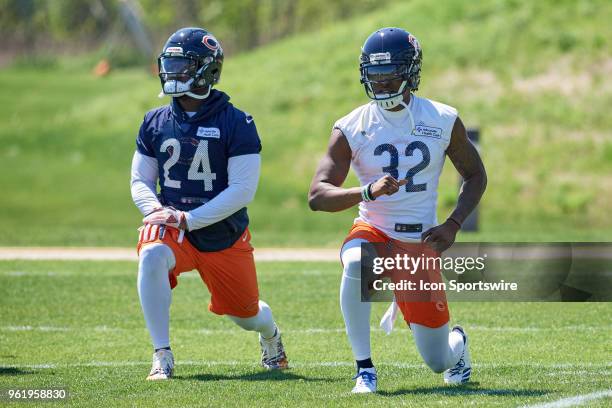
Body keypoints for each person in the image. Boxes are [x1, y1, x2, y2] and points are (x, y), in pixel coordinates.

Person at [308, 27, 487, 393]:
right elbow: (317, 195)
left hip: (420, 242)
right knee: (358, 262)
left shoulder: (441, 118)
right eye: (375, 74)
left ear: (411, 72)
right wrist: (365, 191)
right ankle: (364, 369)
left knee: (437, 360)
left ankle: (459, 344)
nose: (382, 83)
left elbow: (475, 174)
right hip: (374, 229)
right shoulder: (351, 126)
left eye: (390, 74)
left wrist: (453, 224)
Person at [131, 27, 288, 380]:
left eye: (182, 65)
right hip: (175, 228)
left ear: (206, 70)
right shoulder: (155, 121)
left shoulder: (237, 122)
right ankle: (162, 353)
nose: (172, 72)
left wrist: (188, 218)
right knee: (152, 253)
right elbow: (140, 180)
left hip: (222, 233)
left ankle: (271, 334)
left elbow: (242, 191)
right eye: (169, 64)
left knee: (246, 315)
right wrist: (155, 212)